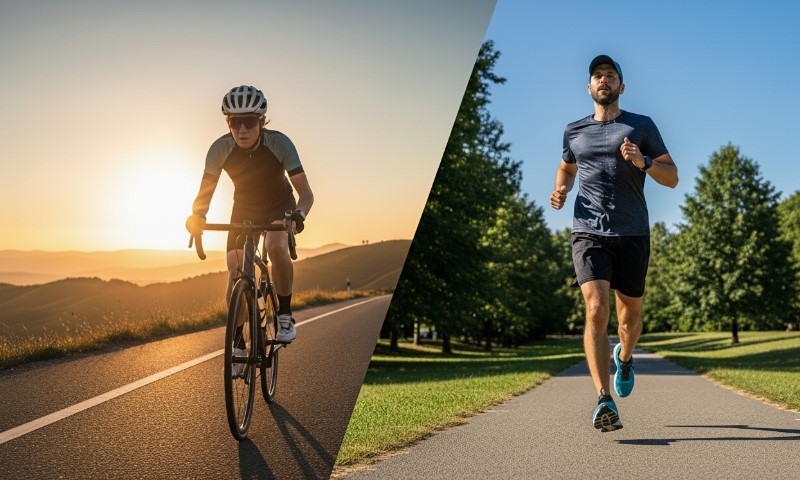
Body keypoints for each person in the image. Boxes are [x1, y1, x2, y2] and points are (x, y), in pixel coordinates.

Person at [549, 55, 678, 432]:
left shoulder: (641, 126)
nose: (603, 80)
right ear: (588, 88)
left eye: (610, 75)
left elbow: (672, 177)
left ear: (621, 87)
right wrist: (561, 189)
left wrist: (643, 162)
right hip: (588, 230)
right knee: (595, 306)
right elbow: (567, 167)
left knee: (629, 319)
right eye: (597, 76)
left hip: (633, 232)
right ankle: (604, 398)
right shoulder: (574, 130)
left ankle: (625, 357)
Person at [186, 85, 314, 349]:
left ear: (261, 121)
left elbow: (306, 193)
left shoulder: (279, 143)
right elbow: (205, 193)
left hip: (280, 204)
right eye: (235, 122)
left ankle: (286, 315)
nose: (242, 130)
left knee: (275, 246)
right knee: (235, 268)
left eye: (249, 122)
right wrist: (197, 215)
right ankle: (236, 342)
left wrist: (298, 216)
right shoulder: (220, 148)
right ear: (228, 123)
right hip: (244, 206)